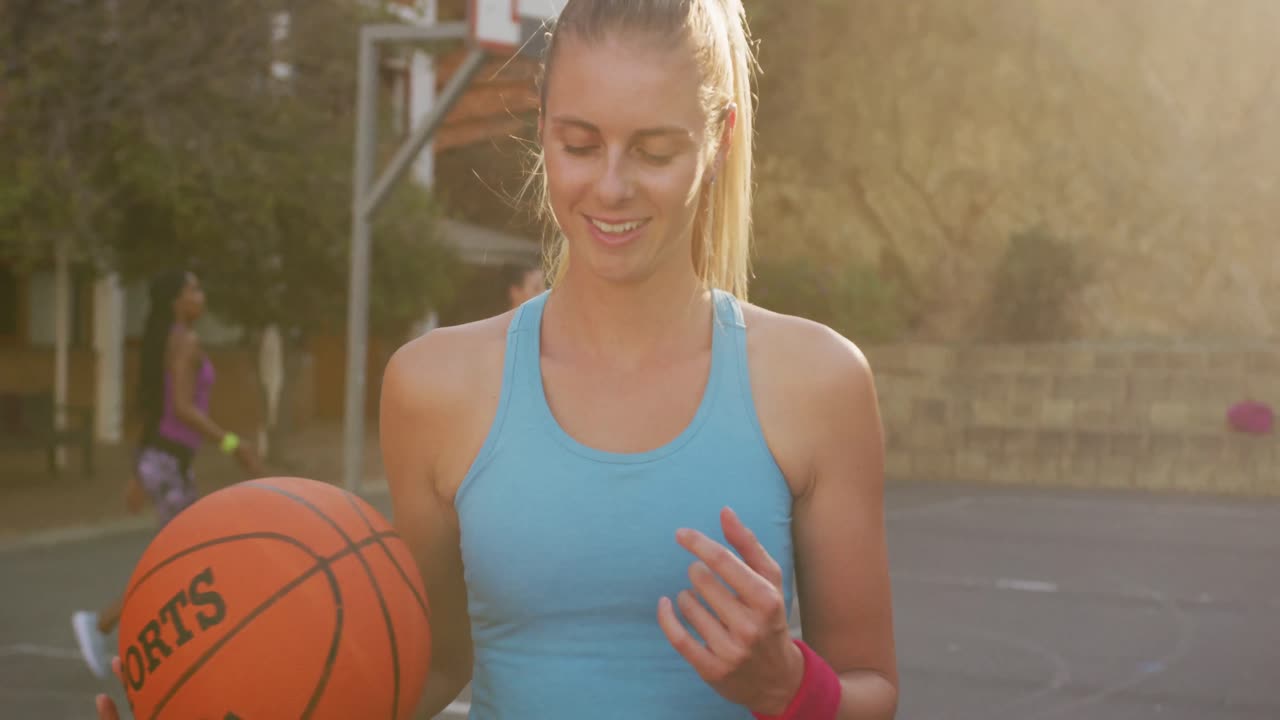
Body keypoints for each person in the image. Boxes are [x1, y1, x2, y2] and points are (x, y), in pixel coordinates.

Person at [97, 0, 897, 717]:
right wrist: (215, 692)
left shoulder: (814, 380)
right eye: (580, 143)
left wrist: (789, 687)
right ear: (541, 125)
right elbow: (430, 665)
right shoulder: (434, 386)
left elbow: (872, 689)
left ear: (718, 142)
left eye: (655, 151)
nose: (611, 187)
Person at [75, 270, 266, 681]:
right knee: (184, 559)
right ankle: (100, 623)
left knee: (188, 557)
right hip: (166, 461)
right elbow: (180, 407)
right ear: (177, 301)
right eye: (194, 289)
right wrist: (235, 444)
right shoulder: (187, 342)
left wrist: (136, 472)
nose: (201, 295)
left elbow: (154, 408)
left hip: (164, 461)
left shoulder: (168, 340)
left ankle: (172, 640)